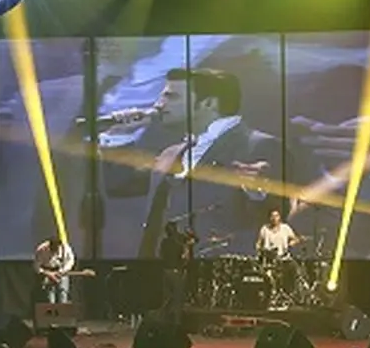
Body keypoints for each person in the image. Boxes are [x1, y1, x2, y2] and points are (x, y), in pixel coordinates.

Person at [109, 67, 286, 258]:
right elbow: (119, 185)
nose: (159, 104)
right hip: (161, 271)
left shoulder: (259, 146)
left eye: (171, 97)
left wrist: (260, 194)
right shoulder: (171, 153)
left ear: (209, 103)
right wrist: (120, 136)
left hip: (220, 269)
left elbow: (280, 217)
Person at [159, 222, 195, 323]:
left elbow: (161, 255)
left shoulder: (164, 242)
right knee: (178, 298)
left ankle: (164, 321)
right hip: (176, 272)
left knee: (167, 298)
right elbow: (185, 258)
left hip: (166, 271)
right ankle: (176, 322)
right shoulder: (178, 243)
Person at [35, 236, 76, 304]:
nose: (54, 251)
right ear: (49, 245)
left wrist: (61, 272)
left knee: (63, 293)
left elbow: (70, 261)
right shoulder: (41, 249)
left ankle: (63, 308)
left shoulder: (66, 249)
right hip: (47, 272)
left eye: (56, 248)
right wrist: (49, 274)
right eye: (52, 248)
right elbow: (37, 267)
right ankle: (51, 308)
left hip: (62, 271)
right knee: (50, 297)